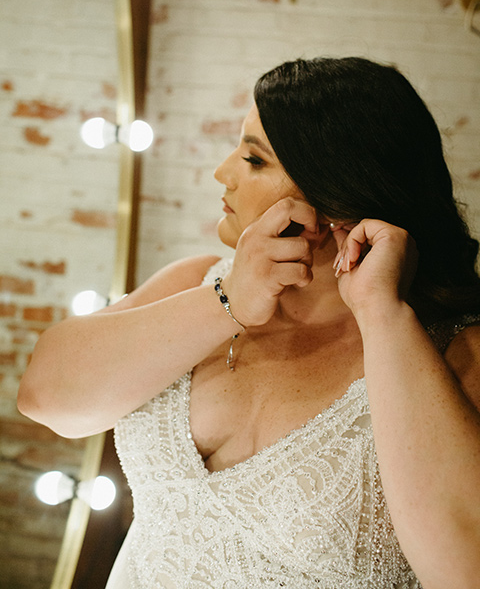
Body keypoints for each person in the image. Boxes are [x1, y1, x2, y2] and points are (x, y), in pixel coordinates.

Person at [18, 57, 480, 589]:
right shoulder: (196, 281)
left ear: (337, 201)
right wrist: (227, 301)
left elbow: (465, 569)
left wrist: (382, 313)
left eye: (254, 160)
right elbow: (45, 397)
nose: (223, 173)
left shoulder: (453, 352)